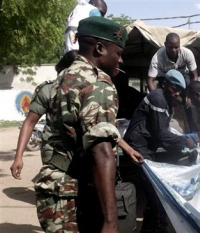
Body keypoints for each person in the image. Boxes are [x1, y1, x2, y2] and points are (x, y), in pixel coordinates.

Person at [46, 16, 140, 233]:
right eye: (118, 53)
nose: (121, 60)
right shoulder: (98, 83)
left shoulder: (64, 77)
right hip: (77, 190)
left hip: (55, 187)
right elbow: (101, 151)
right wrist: (111, 221)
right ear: (99, 48)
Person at [123, 69, 196, 232]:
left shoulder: (167, 101)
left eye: (179, 89)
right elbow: (161, 134)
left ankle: (150, 229)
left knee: (154, 193)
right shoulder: (158, 98)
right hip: (138, 148)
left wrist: (181, 144)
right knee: (158, 194)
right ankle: (158, 229)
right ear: (165, 84)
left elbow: (163, 131)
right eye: (174, 87)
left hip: (146, 148)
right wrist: (184, 141)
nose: (176, 91)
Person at [10, 50, 79, 181]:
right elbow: (29, 123)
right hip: (54, 150)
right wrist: (18, 156)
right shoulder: (48, 90)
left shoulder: (91, 90)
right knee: (57, 193)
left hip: (80, 149)